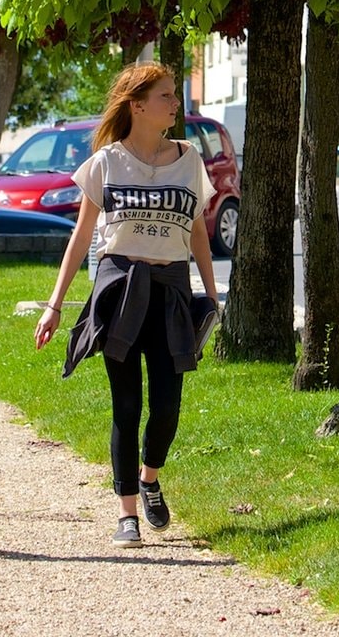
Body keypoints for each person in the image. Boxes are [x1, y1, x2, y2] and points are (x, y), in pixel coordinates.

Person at [36, 62, 221, 548]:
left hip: (172, 290)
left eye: (173, 96)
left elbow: (199, 230)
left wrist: (212, 294)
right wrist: (54, 305)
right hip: (119, 288)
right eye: (165, 96)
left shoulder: (189, 160)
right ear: (137, 105)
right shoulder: (105, 162)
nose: (174, 104)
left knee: (167, 403)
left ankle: (149, 477)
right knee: (127, 403)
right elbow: (80, 240)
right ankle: (126, 514)